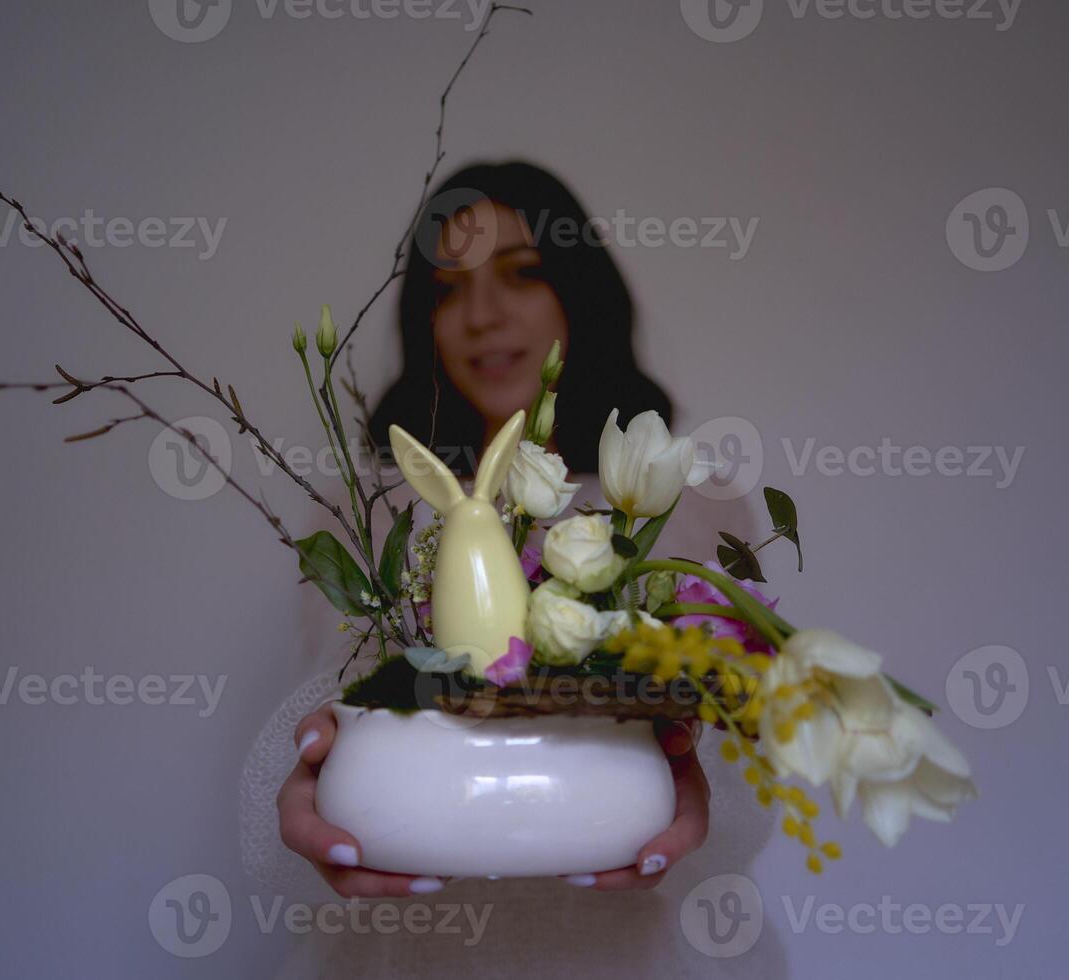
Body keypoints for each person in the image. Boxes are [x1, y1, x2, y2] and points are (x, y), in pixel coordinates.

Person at [239, 162, 780, 976]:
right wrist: (314, 774)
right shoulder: (373, 508)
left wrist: (697, 774)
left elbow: (749, 760)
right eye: (447, 290)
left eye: (521, 275)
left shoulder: (689, 501)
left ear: (580, 292)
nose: (482, 317)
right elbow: (331, 702)